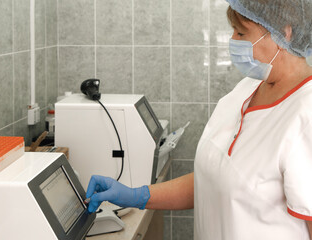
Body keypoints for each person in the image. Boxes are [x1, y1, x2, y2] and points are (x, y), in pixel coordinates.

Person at [86, 0, 312, 239]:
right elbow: (214, 179)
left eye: (241, 32)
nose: (233, 41)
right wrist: (137, 195)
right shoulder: (246, 89)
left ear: (285, 33)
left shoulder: (305, 114)